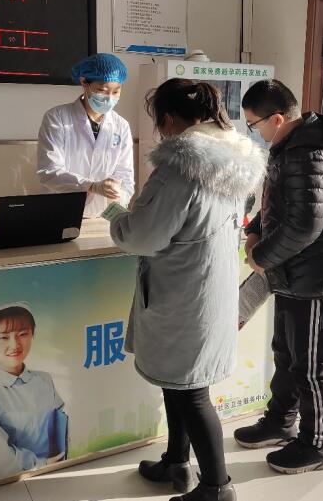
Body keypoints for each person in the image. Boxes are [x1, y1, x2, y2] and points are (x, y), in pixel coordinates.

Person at [109, 79, 266, 501]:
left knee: (193, 392)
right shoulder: (235, 159)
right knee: (178, 382)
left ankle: (217, 488)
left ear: (168, 120)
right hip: (209, 288)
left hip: (181, 293)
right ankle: (176, 461)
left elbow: (141, 236)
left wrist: (116, 214)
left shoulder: (179, 167)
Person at [233, 79, 323, 474]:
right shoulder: (290, 148)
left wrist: (260, 256)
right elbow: (278, 205)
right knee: (287, 353)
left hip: (318, 277)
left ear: (276, 119)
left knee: (312, 365)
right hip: (294, 272)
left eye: (254, 125)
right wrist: (254, 230)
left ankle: (318, 444)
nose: (254, 133)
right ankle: (280, 421)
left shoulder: (311, 154)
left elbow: (305, 225)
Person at [0, 302, 68, 482]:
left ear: (32, 335)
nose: (15, 344)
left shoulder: (44, 379)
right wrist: (42, 464)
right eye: (4, 337)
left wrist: (59, 460)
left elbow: (60, 423)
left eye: (23, 334)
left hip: (52, 473)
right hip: (7, 483)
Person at [37, 53, 134, 218]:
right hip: (61, 212)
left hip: (103, 215)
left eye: (116, 91)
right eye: (102, 91)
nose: (109, 98)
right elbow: (49, 172)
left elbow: (125, 175)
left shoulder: (121, 125)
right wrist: (90, 186)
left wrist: (118, 195)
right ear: (84, 82)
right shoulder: (57, 118)